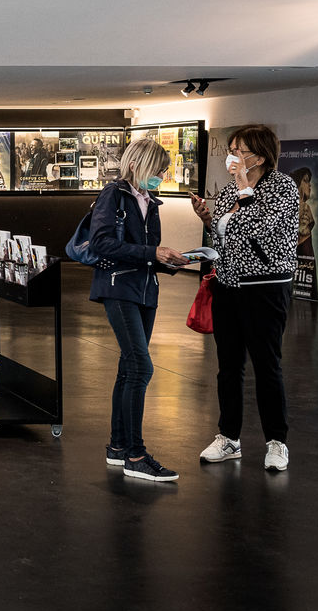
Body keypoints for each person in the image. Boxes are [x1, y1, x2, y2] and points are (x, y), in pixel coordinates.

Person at [191, 125, 300, 472]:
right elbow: (226, 238)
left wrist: (244, 187)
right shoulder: (227, 191)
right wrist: (209, 221)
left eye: (240, 151)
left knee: (267, 365)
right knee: (228, 365)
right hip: (228, 285)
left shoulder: (282, 187)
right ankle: (229, 437)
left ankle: (277, 442)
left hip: (265, 287)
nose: (233, 157)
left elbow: (258, 228)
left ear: (261, 157)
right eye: (232, 149)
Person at [86, 138, 190, 482]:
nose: (162, 175)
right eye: (158, 169)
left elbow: (146, 250)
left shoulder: (151, 202)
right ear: (136, 165)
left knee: (129, 368)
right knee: (141, 368)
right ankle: (136, 455)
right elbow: (102, 242)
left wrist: (169, 261)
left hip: (145, 291)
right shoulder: (113, 195)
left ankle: (118, 447)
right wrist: (152, 253)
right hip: (118, 289)